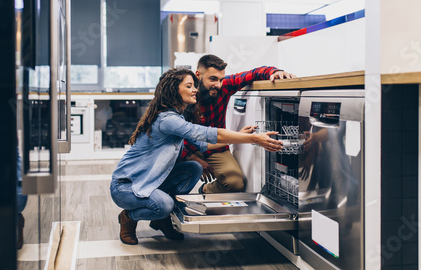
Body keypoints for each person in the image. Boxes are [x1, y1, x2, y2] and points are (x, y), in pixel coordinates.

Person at [109, 68, 283, 245]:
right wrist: (252, 138)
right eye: (189, 86)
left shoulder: (176, 116)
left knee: (193, 168)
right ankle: (129, 217)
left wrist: (239, 135)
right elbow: (206, 133)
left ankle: (162, 219)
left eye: (194, 85)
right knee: (164, 205)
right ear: (173, 90)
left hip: (149, 181)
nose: (195, 90)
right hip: (126, 186)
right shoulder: (167, 119)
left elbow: (204, 145)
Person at [182, 54, 296, 194]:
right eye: (212, 79)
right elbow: (171, 136)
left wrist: (275, 71)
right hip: (186, 148)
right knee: (173, 173)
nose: (218, 85)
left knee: (234, 184)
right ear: (198, 75)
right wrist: (190, 156)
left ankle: (205, 190)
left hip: (217, 145)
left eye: (221, 79)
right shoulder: (185, 93)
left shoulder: (224, 87)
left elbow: (252, 73)